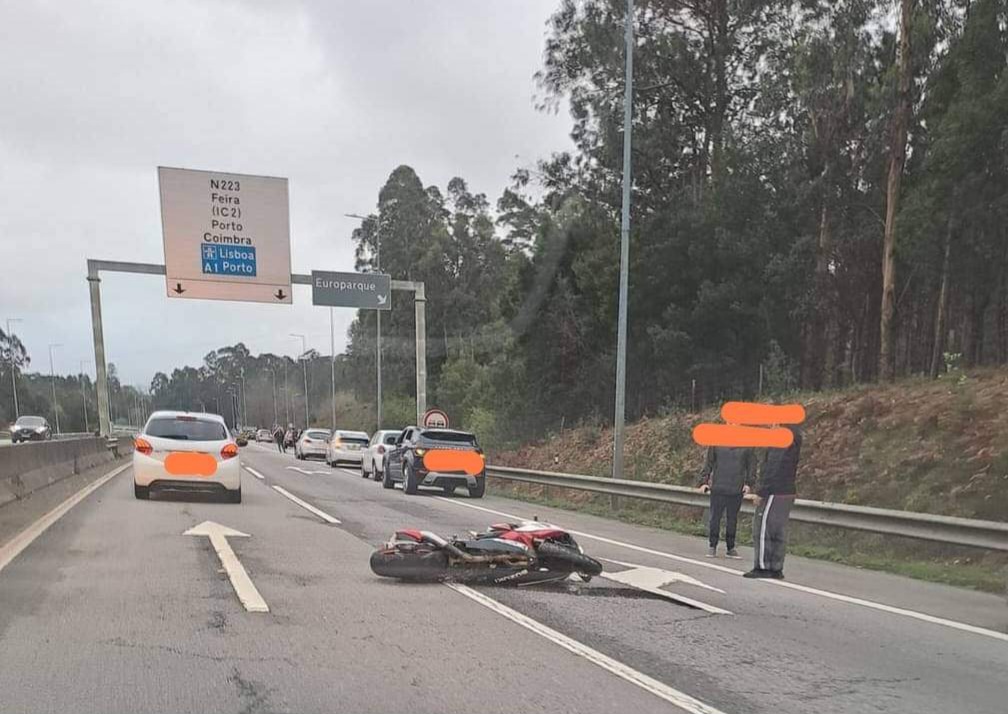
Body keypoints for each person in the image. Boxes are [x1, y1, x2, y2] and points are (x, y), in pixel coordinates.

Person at [745, 424, 802, 579]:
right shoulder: (795, 435)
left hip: (774, 491)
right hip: (787, 490)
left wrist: (762, 491)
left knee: (763, 529)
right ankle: (776, 567)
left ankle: (762, 567)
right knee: (779, 530)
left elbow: (773, 467)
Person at [697, 446, 755, 558]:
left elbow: (751, 466)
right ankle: (712, 546)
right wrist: (704, 482)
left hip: (736, 488)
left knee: (732, 519)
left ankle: (731, 547)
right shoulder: (716, 443)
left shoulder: (747, 446)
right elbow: (708, 463)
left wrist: (748, 483)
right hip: (718, 487)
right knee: (715, 518)